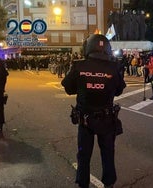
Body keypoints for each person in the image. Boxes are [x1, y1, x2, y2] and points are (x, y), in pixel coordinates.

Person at [61, 34, 126, 188]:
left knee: (83, 155)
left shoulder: (79, 66)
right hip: (107, 120)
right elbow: (118, 91)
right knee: (108, 154)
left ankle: (83, 184)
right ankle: (108, 183)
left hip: (85, 120)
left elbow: (68, 89)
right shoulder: (113, 67)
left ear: (88, 47)